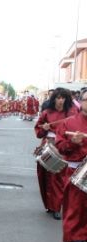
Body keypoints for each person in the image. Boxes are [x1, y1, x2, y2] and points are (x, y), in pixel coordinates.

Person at [34, 88, 78, 219]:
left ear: (67, 99)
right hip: (48, 145)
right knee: (43, 175)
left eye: (63, 98)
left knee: (57, 178)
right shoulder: (47, 112)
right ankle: (49, 205)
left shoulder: (72, 112)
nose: (60, 101)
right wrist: (44, 128)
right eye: (58, 98)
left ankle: (56, 207)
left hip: (62, 146)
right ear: (54, 99)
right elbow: (38, 129)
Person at [55, 90, 87, 242]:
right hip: (76, 170)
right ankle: (74, 240)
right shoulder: (69, 123)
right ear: (80, 102)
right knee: (74, 207)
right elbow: (60, 147)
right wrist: (73, 143)